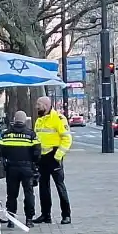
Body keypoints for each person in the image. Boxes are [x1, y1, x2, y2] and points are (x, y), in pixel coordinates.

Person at [33, 96, 72, 225]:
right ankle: (45, 215)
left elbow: (67, 139)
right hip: (42, 158)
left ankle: (66, 215)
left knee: (60, 186)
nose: (36, 107)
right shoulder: (39, 120)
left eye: (39, 104)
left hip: (54, 157)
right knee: (43, 188)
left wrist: (58, 155)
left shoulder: (59, 119)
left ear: (46, 105)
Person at [0, 110, 40, 225]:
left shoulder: (6, 134)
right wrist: (35, 164)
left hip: (11, 168)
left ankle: (11, 220)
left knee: (11, 194)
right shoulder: (31, 134)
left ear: (14, 120)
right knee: (29, 193)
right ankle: (29, 219)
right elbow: (37, 152)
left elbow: (1, 151)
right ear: (24, 121)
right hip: (27, 168)